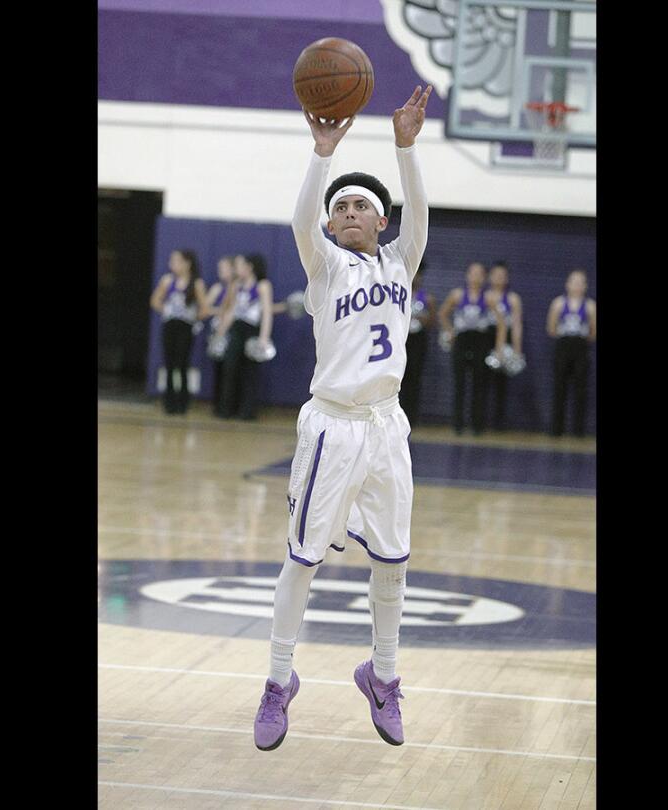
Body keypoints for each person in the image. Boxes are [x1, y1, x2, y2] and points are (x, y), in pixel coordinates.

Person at [253, 84, 432, 753]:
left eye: (364, 206)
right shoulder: (324, 266)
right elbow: (302, 221)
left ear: (381, 221)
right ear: (333, 225)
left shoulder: (400, 262)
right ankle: (277, 682)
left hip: (388, 427)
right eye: (344, 207)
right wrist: (322, 155)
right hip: (330, 426)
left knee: (393, 560)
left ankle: (381, 676)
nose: (352, 211)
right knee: (303, 560)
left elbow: (420, 216)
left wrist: (405, 148)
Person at [148, 249, 209, 414]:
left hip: (186, 327)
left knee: (182, 363)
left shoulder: (196, 283)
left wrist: (191, 315)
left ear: (187, 263)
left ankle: (183, 402)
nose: (172, 264)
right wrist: (168, 310)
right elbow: (154, 300)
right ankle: (169, 402)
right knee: (168, 363)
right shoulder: (167, 280)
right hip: (170, 325)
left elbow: (204, 309)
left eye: (176, 261)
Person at [437, 262, 494, 435]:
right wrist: (450, 332)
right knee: (460, 383)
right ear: (467, 275)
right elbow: (442, 313)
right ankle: (458, 425)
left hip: (480, 340)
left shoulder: (489, 297)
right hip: (462, 340)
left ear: (484, 278)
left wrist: (498, 346)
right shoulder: (457, 294)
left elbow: (500, 321)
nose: (476, 277)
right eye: (473, 273)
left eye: (480, 274)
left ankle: (477, 425)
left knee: (479, 383)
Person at [216, 253, 273, 421]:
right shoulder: (236, 285)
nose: (237, 269)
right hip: (236, 330)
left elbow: (267, 313)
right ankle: (227, 409)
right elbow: (231, 311)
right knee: (230, 368)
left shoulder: (263, 286)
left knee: (250, 373)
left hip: (252, 331)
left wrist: (264, 338)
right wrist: (220, 332)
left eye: (241, 266)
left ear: (250, 267)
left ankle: (247, 411)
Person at [546, 268, 597, 437]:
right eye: (573, 281)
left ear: (585, 286)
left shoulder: (590, 306)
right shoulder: (558, 303)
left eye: (580, 282)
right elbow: (551, 328)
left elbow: (593, 332)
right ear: (567, 284)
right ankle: (556, 429)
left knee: (580, 390)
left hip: (581, 348)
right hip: (563, 347)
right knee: (559, 388)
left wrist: (580, 337)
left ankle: (578, 431)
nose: (576, 285)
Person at [485, 261, 523, 431]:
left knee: (501, 383)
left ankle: (498, 422)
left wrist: (516, 349)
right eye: (496, 275)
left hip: (504, 337)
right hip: (486, 337)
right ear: (490, 277)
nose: (499, 278)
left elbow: (516, 324)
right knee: (482, 379)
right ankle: (480, 420)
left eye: (503, 275)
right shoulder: (485, 295)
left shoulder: (513, 298)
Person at [400, 260, 435, 427]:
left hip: (417, 340)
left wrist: (423, 318)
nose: (415, 277)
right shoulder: (398, 293)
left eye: (418, 274)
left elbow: (431, 322)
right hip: (400, 339)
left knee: (414, 379)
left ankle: (411, 417)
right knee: (398, 378)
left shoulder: (426, 298)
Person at [204, 256, 239, 414]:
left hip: (232, 331)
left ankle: (229, 407)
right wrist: (220, 311)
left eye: (223, 268)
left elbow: (235, 309)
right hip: (217, 331)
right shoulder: (218, 288)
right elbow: (204, 309)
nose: (220, 272)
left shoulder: (238, 288)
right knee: (218, 370)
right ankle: (218, 406)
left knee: (231, 371)